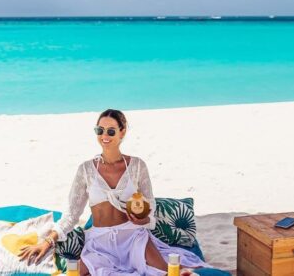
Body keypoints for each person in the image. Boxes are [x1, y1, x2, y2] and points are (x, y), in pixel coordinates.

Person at [18, 109, 209, 275]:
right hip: (100, 242)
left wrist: (143, 220)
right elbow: (71, 215)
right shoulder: (85, 170)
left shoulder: (137, 166)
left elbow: (150, 208)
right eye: (99, 130)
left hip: (133, 236)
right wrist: (47, 242)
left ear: (122, 132)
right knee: (76, 273)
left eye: (111, 131)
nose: (104, 136)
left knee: (165, 272)